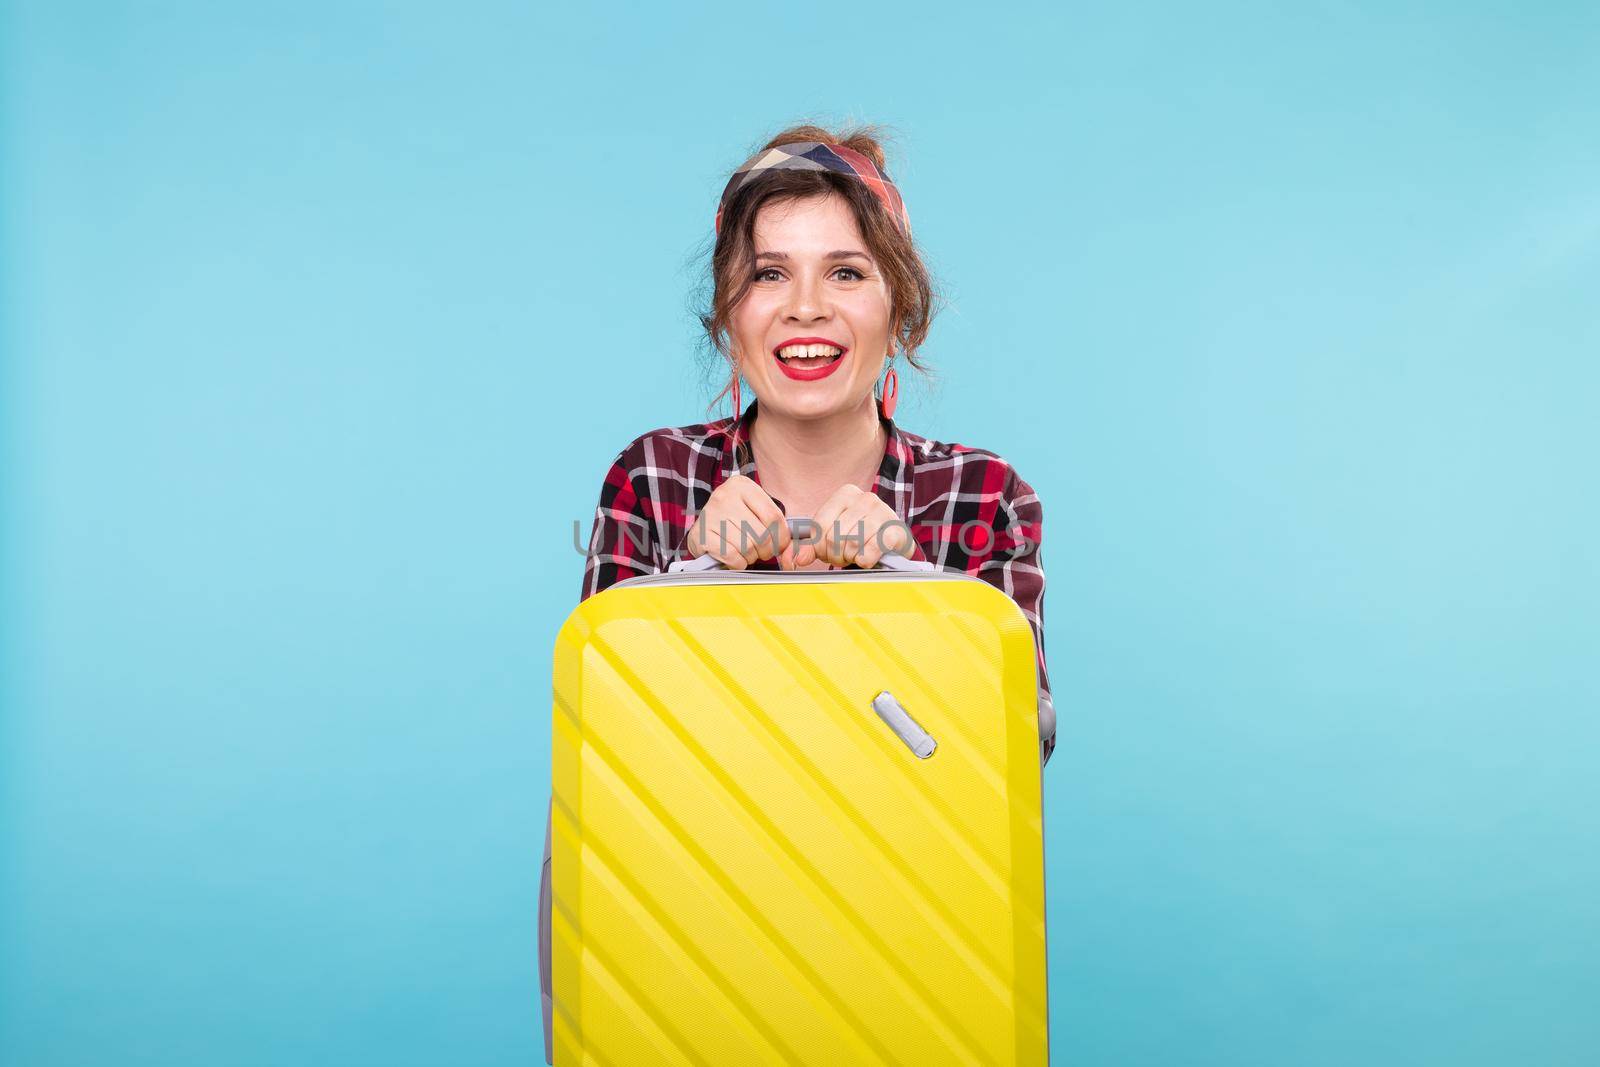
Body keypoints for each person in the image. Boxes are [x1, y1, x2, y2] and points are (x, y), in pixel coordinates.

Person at [577, 124, 1055, 764]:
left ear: (899, 313)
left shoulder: (986, 496)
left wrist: (918, 590)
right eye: (770, 273)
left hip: (905, 863)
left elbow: (1023, 748)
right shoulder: (654, 477)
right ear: (727, 316)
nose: (806, 308)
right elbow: (599, 740)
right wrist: (682, 588)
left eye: (847, 273)